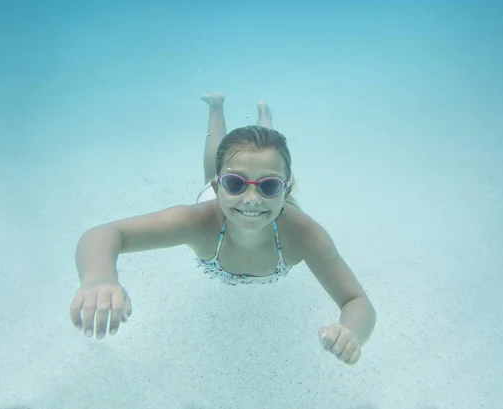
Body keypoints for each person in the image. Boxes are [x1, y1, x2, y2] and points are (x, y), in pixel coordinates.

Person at [69, 93, 376, 365]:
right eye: (234, 183)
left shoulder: (304, 234)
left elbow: (356, 302)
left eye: (269, 185)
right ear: (219, 187)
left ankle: (263, 118)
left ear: (286, 189)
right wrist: (99, 278)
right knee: (215, 162)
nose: (252, 199)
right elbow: (104, 233)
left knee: (252, 152)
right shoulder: (197, 222)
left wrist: (350, 334)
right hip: (214, 207)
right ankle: (216, 107)